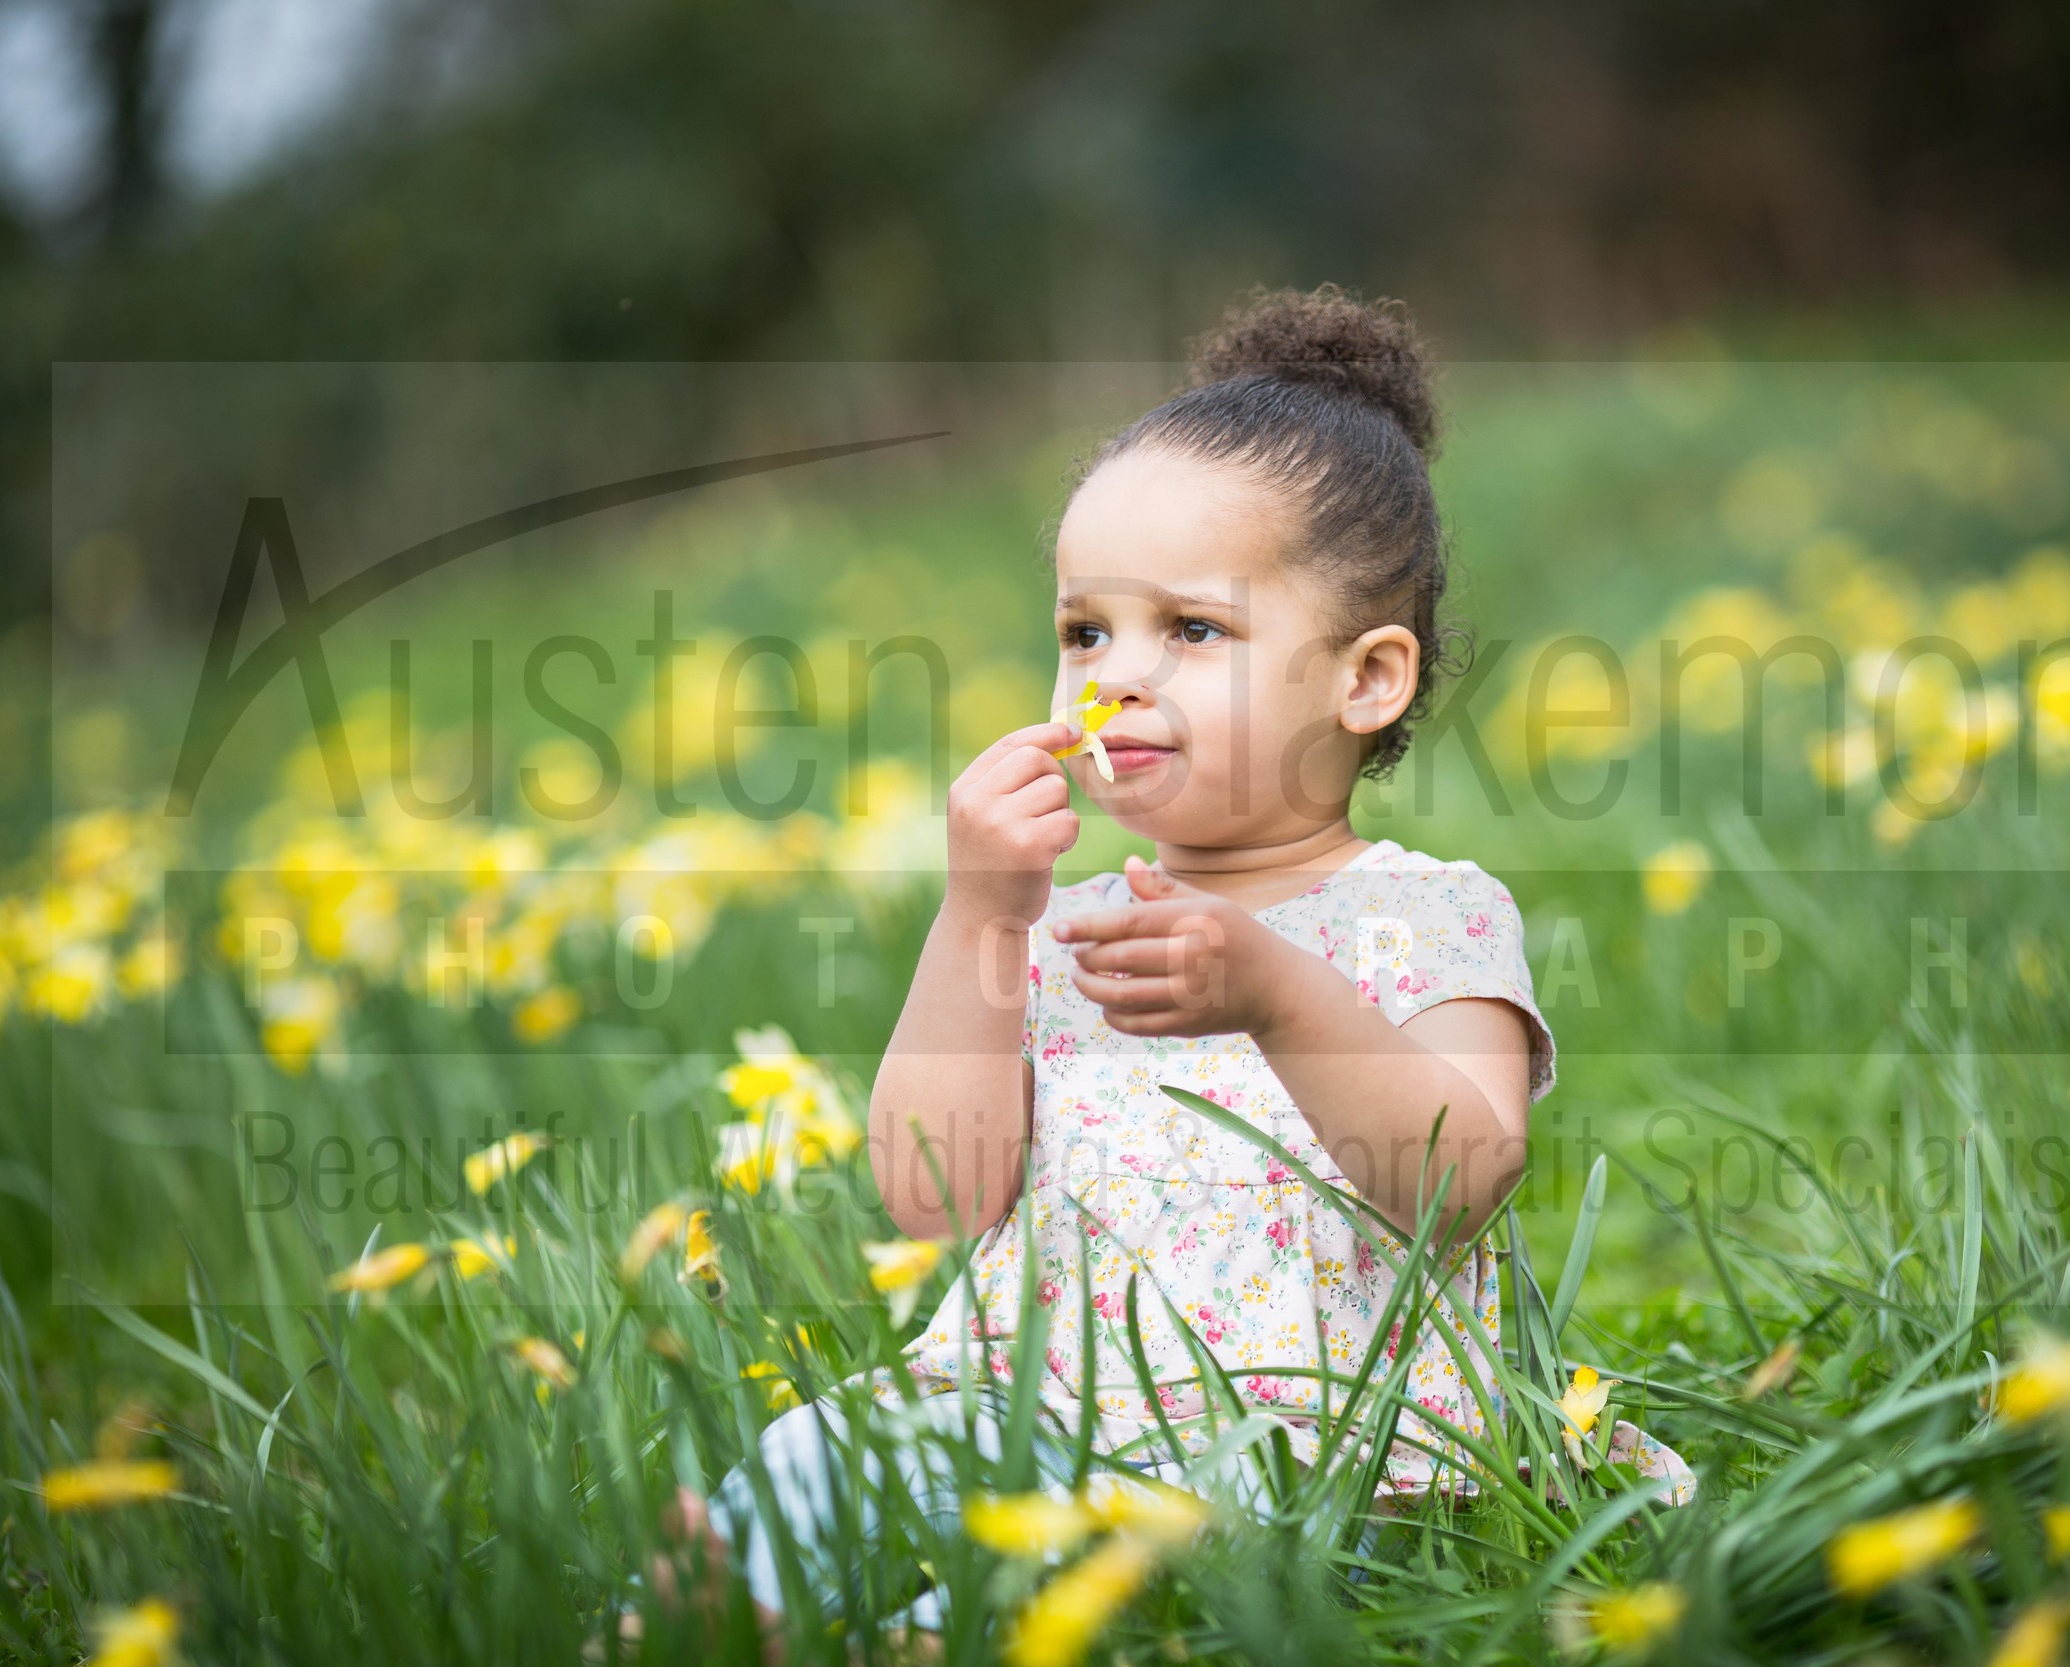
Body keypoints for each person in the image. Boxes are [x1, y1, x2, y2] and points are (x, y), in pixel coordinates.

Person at [675, 283, 1689, 1649]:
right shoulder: (1054, 924)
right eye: (1085, 632)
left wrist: (1272, 992)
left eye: (1191, 631)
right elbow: (933, 1192)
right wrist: (981, 909)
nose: (1115, 683)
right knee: (809, 1469)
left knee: (1041, 1598)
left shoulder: (1425, 918)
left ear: (1368, 679)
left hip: (1301, 1450)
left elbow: (1456, 1182)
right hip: (1025, 1408)